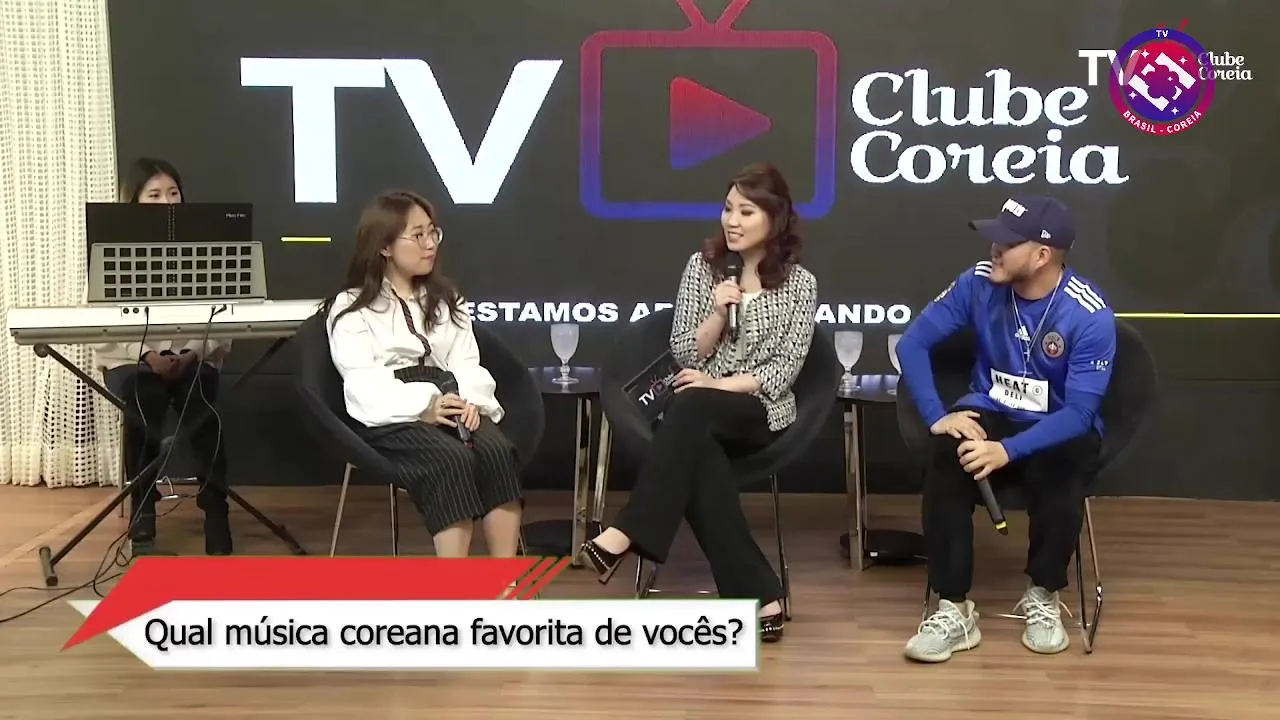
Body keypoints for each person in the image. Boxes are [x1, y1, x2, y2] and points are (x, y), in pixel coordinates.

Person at [578, 164, 818, 644]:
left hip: (758, 409)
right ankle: (761, 597)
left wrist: (717, 386)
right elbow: (684, 353)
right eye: (728, 209)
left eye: (746, 212)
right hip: (698, 412)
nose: (732, 221)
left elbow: (783, 371)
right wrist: (716, 313)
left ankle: (629, 529)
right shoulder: (702, 267)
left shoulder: (800, 283)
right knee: (700, 456)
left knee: (690, 407)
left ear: (774, 218)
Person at [896, 195, 1116, 662]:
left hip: (1057, 422)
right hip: (991, 409)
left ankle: (1044, 594)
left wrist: (1007, 451)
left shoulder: (1088, 313)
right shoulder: (977, 282)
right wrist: (938, 416)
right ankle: (954, 609)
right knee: (946, 454)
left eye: (1007, 243)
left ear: (1042, 255)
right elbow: (912, 344)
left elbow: (1079, 413)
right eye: (994, 238)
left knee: (1065, 465)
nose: (993, 249)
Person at [320, 190, 524, 558]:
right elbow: (363, 380)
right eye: (418, 235)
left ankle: (506, 581)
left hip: (452, 396)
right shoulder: (351, 307)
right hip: (392, 409)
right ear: (384, 246)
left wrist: (470, 402)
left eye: (433, 233)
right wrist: (424, 407)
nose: (430, 244)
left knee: (497, 452)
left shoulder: (447, 299)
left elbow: (466, 360)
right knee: (452, 460)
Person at [93, 157, 233, 556]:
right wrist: (147, 356)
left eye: (173, 193)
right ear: (134, 202)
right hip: (133, 362)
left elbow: (223, 316)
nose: (167, 201)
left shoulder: (207, 247)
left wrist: (189, 354)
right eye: (154, 195)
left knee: (199, 399)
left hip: (192, 358)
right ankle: (143, 514)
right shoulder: (108, 249)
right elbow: (101, 322)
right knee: (144, 398)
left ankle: (216, 510)